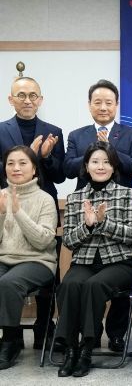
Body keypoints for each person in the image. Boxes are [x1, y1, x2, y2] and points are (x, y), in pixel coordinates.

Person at [62, 79, 132, 352]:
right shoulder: (77, 135)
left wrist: (110, 150)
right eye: (97, 102)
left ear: (117, 104)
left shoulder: (131, 134)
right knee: (73, 284)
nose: (103, 106)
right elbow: (67, 167)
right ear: (89, 105)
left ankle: (115, 335)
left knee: (102, 284)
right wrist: (94, 153)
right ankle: (76, 341)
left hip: (117, 211)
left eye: (109, 102)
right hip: (87, 225)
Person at [56, 142, 132, 378]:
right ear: (86, 166)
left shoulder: (127, 194)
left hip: (119, 263)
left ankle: (86, 349)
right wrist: (88, 226)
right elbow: (68, 241)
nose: (100, 166)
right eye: (95, 162)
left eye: (106, 162)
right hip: (84, 262)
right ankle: (71, 348)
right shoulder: (75, 198)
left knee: (94, 286)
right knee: (70, 284)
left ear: (114, 167)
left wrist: (104, 223)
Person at [1, 76, 64, 350]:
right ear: (11, 99)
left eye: (32, 95)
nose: (27, 100)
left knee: (38, 270)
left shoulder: (53, 131)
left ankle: (42, 329)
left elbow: (60, 175)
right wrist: (28, 156)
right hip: (6, 200)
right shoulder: (0, 130)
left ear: (40, 99)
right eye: (21, 95)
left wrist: (44, 157)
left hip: (40, 202)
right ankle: (11, 336)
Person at [0, 146, 57, 369]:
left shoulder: (45, 199)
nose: (16, 168)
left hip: (38, 260)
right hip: (4, 258)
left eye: (22, 163)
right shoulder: (0, 196)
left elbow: (43, 241)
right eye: (10, 163)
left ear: (34, 169)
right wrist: (2, 214)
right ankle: (11, 335)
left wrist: (18, 212)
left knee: (8, 283)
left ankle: (10, 340)